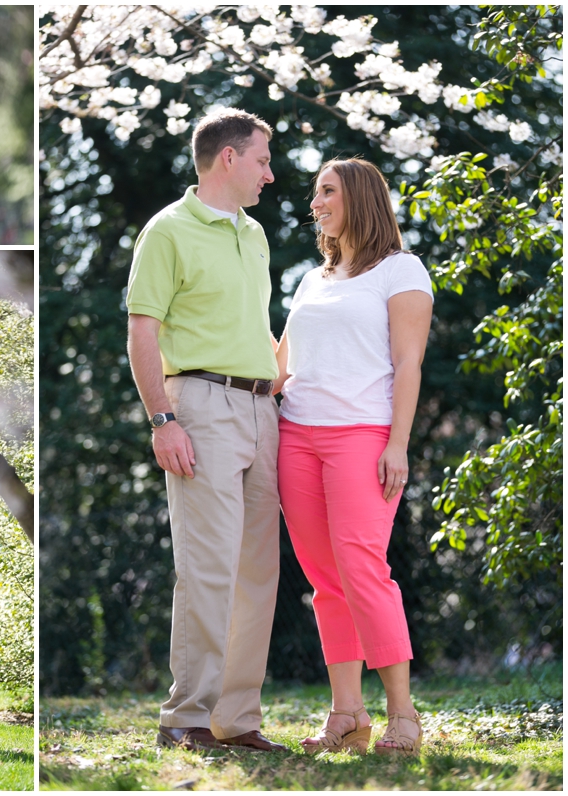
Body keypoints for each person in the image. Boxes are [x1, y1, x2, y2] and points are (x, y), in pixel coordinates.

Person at [126, 107, 287, 753]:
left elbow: (254, 327)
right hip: (201, 404)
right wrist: (162, 419)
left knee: (257, 572)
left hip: (261, 408)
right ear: (228, 157)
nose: (270, 175)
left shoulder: (255, 235)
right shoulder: (168, 230)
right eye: (263, 160)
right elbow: (143, 330)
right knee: (209, 567)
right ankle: (186, 718)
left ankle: (235, 721)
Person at [275, 158, 434, 755]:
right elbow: (283, 365)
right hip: (297, 436)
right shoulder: (313, 279)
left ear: (358, 198)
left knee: (364, 569)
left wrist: (398, 443)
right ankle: (347, 714)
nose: (314, 202)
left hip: (363, 436)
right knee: (324, 581)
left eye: (326, 192)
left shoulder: (401, 271)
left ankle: (403, 715)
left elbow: (408, 364)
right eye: (316, 192)